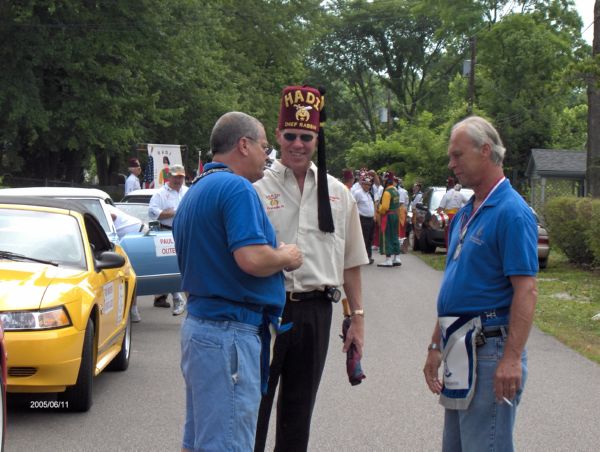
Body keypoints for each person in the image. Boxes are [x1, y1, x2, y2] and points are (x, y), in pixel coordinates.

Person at [172, 112, 303, 452]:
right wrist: (286, 256)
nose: (268, 156)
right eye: (264, 147)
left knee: (202, 440)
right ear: (243, 145)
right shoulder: (236, 187)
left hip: (202, 328)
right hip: (229, 333)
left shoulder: (196, 191)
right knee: (227, 443)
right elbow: (252, 258)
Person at [253, 85, 368, 452]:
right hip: (267, 308)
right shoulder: (255, 190)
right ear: (277, 135)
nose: (298, 144)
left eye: (306, 136)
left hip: (317, 311)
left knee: (299, 412)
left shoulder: (339, 194)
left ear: (316, 138)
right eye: (291, 136)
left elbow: (351, 264)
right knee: (255, 404)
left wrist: (358, 319)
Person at [422, 116, 538, 452]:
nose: (451, 163)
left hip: (490, 349)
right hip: (461, 345)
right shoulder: (465, 213)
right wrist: (435, 346)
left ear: (485, 151)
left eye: (457, 155)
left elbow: (526, 290)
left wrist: (512, 358)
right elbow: (456, 288)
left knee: (485, 444)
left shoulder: (512, 212)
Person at [148, 163, 188, 315]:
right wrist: (172, 213)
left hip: (185, 232)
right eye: (175, 177)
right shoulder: (160, 194)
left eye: (181, 177)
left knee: (185, 266)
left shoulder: (187, 191)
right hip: (167, 233)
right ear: (169, 177)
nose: (178, 180)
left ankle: (187, 299)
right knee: (170, 266)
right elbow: (153, 213)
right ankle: (177, 298)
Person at [106, 203, 146, 322]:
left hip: (137, 235)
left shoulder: (99, 205)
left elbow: (111, 217)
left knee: (132, 272)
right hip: (124, 238)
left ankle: (133, 309)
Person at [377, 172, 402, 267]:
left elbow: (385, 208)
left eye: (384, 180)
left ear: (386, 181)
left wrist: (379, 209)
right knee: (395, 235)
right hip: (396, 215)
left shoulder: (387, 192)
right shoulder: (396, 191)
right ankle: (397, 257)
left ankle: (388, 259)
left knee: (387, 236)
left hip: (388, 216)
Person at [352, 173, 376, 264]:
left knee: (370, 239)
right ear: (362, 184)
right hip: (363, 219)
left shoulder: (369, 194)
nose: (367, 186)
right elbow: (353, 205)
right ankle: (362, 258)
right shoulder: (358, 193)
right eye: (366, 184)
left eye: (369, 185)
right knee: (364, 239)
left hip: (370, 219)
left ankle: (368, 256)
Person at [438, 183, 470, 248]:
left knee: (448, 233)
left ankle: (448, 249)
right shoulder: (461, 195)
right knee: (456, 232)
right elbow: (468, 202)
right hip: (458, 216)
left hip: (448, 216)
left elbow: (441, 207)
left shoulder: (447, 194)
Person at [396, 178, 410, 252]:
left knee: (400, 228)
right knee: (399, 228)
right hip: (400, 210)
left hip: (400, 210)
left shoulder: (401, 191)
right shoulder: (401, 191)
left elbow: (401, 202)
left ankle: (400, 245)